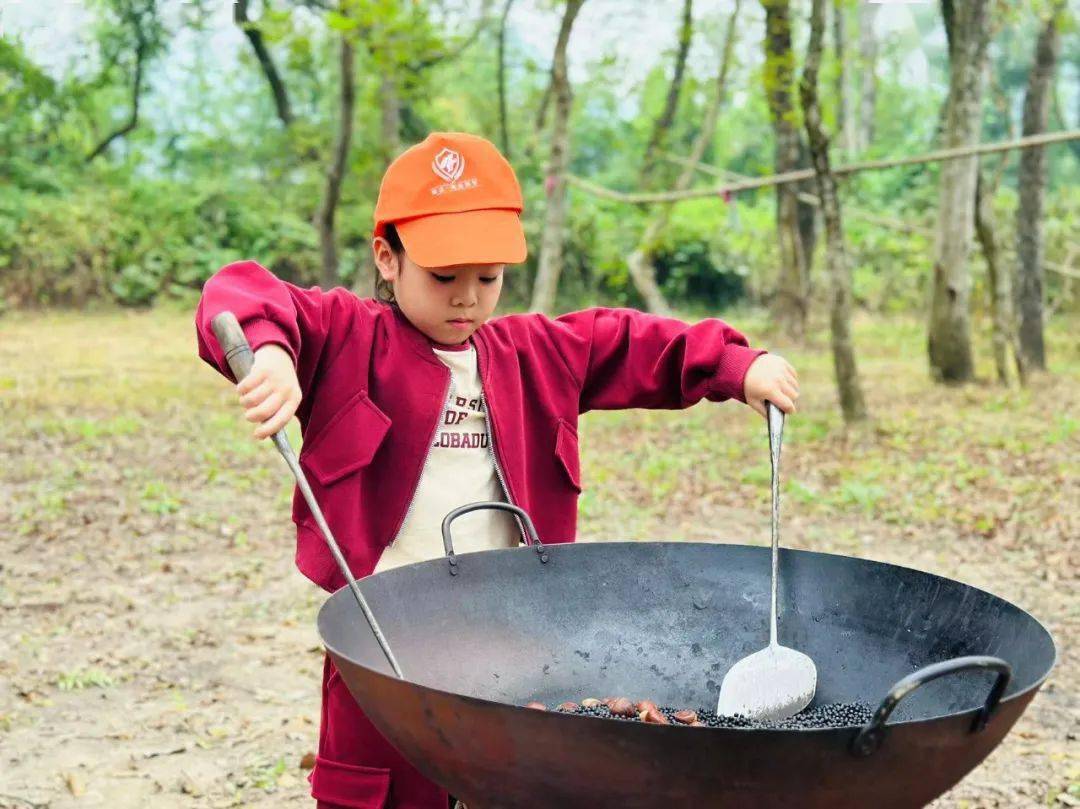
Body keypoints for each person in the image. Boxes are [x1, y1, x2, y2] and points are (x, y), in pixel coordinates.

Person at [195, 131, 799, 809]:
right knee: (378, 791)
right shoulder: (348, 338)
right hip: (386, 645)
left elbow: (633, 341)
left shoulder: (534, 353)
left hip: (515, 644)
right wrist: (271, 354)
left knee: (515, 786)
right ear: (387, 258)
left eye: (488, 278)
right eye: (444, 278)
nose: (468, 300)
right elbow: (240, 290)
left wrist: (737, 365)